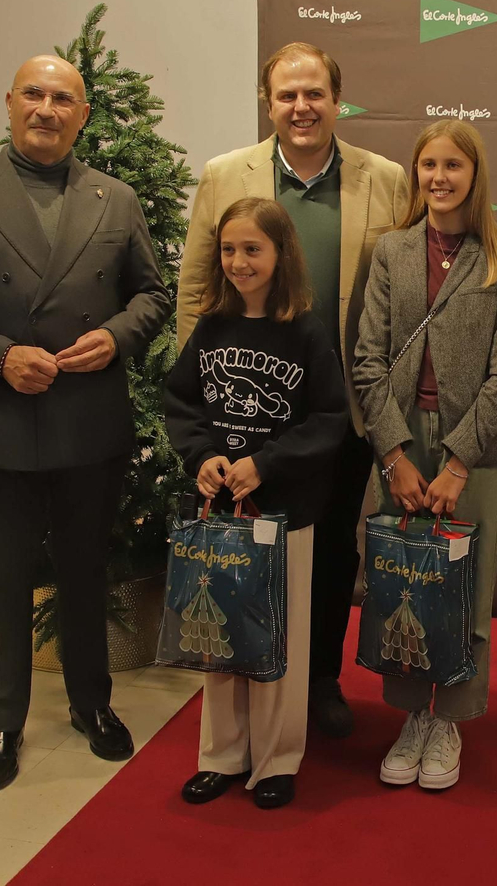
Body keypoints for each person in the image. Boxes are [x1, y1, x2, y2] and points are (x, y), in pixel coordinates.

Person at [0, 55, 170, 790]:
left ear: (83, 115)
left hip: (89, 420)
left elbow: (152, 295)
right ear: (10, 103)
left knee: (87, 574)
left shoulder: (115, 199)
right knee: (5, 579)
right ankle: (3, 719)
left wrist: (115, 337)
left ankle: (92, 704)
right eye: (34, 94)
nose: (46, 109)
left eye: (63, 98)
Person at [178, 42, 410, 739]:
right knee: (249, 546)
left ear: (337, 100)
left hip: (340, 412)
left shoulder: (387, 178)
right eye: (287, 95)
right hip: (246, 412)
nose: (301, 108)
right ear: (267, 100)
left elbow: (407, 286)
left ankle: (318, 681)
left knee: (334, 548)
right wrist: (209, 397)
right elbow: (195, 286)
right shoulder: (225, 175)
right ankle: (247, 678)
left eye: (314, 94)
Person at [353, 121, 497, 790]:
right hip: (400, 438)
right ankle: (408, 715)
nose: (438, 177)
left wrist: (457, 463)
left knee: (465, 586)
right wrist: (394, 455)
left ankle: (449, 717)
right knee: (402, 581)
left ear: (475, 174)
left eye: (452, 164)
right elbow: (368, 357)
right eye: (427, 164)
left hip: (472, 451)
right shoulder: (392, 251)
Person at [164, 198, 349, 810]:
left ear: (280, 253)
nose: (239, 262)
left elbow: (329, 418)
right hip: (218, 510)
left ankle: (275, 760)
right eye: (228, 250)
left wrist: (265, 464)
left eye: (253, 249)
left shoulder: (306, 328)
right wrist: (202, 459)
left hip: (282, 512)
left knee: (277, 640)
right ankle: (221, 754)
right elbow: (183, 402)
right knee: (217, 633)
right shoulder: (212, 325)